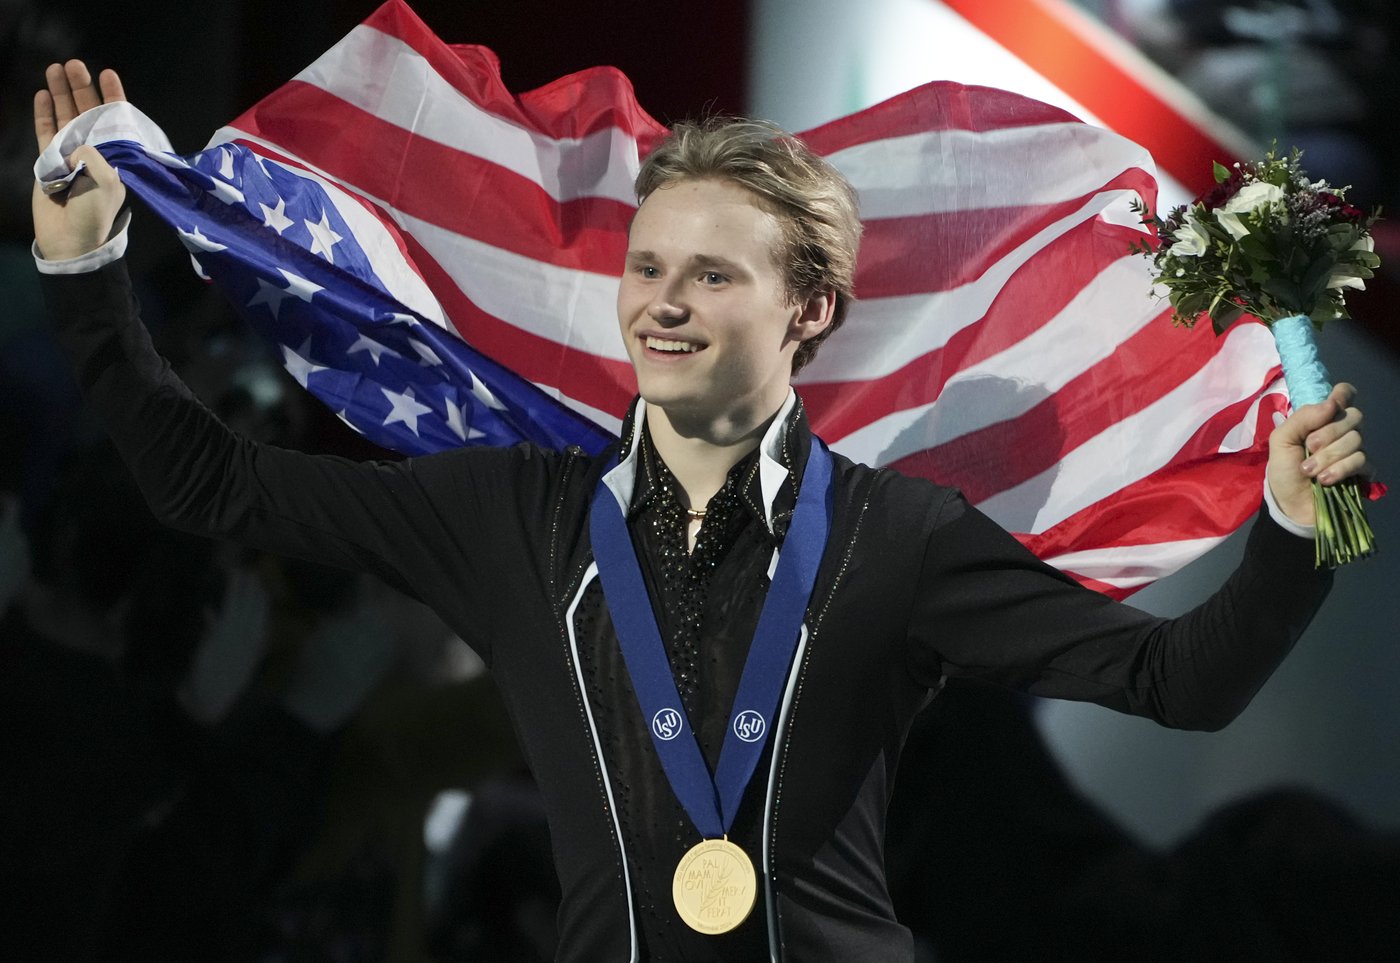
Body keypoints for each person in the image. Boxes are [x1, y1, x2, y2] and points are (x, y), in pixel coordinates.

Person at [32, 60, 1371, 961]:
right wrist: (84, 268)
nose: (664, 301)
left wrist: (1297, 531)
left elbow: (1177, 682)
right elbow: (210, 483)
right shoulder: (516, 512)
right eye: (649, 267)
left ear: (808, 314)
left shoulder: (896, 539)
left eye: (713, 275)